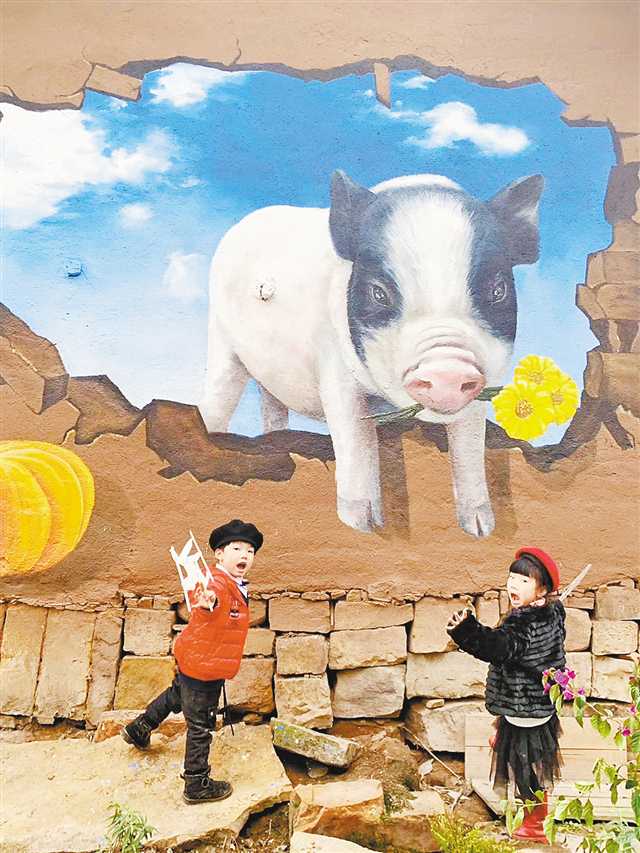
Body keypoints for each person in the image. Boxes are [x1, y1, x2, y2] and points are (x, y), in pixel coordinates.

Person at [121, 518, 263, 804]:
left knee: (177, 694)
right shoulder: (217, 583)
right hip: (205, 666)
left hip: (196, 657)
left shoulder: (234, 583)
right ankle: (196, 783)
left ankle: (140, 728)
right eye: (237, 549)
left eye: (250, 551)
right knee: (201, 724)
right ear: (219, 554)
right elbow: (209, 597)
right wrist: (208, 600)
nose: (245, 555)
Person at [446, 547, 566, 844]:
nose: (514, 585)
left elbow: (499, 646)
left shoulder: (523, 624)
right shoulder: (552, 612)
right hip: (539, 703)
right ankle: (504, 741)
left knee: (526, 768)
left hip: (524, 708)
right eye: (512, 578)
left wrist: (467, 630)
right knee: (526, 756)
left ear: (542, 590)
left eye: (524, 581)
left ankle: (535, 825)